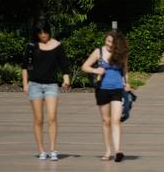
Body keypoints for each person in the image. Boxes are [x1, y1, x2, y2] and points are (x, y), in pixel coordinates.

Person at [21, 19, 71, 161]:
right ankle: (41, 151)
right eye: (40, 33)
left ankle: (53, 149)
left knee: (52, 116)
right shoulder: (31, 46)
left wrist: (66, 79)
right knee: (38, 119)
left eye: (45, 32)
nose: (43, 35)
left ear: (49, 31)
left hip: (51, 85)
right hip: (34, 85)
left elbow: (64, 66)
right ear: (36, 33)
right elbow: (24, 66)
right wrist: (25, 84)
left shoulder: (57, 46)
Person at [81, 30, 131, 162]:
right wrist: (95, 70)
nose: (108, 44)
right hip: (102, 89)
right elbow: (84, 66)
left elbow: (125, 70)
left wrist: (127, 83)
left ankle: (118, 151)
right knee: (106, 121)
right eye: (107, 41)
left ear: (117, 44)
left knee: (116, 120)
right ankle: (108, 151)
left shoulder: (122, 54)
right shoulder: (99, 52)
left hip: (117, 89)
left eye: (111, 42)